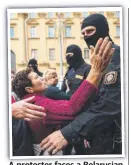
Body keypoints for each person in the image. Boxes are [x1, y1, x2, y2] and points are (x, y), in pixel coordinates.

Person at [12, 37, 114, 155]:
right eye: (36, 78)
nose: (42, 77)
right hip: (49, 150)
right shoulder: (37, 103)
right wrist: (96, 71)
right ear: (29, 89)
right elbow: (71, 108)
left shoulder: (30, 101)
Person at [40, 14, 121, 155]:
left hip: (114, 139)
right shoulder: (96, 61)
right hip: (92, 129)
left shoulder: (116, 58)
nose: (86, 37)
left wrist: (69, 132)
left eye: (90, 31)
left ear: (102, 29)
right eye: (83, 33)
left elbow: (109, 104)